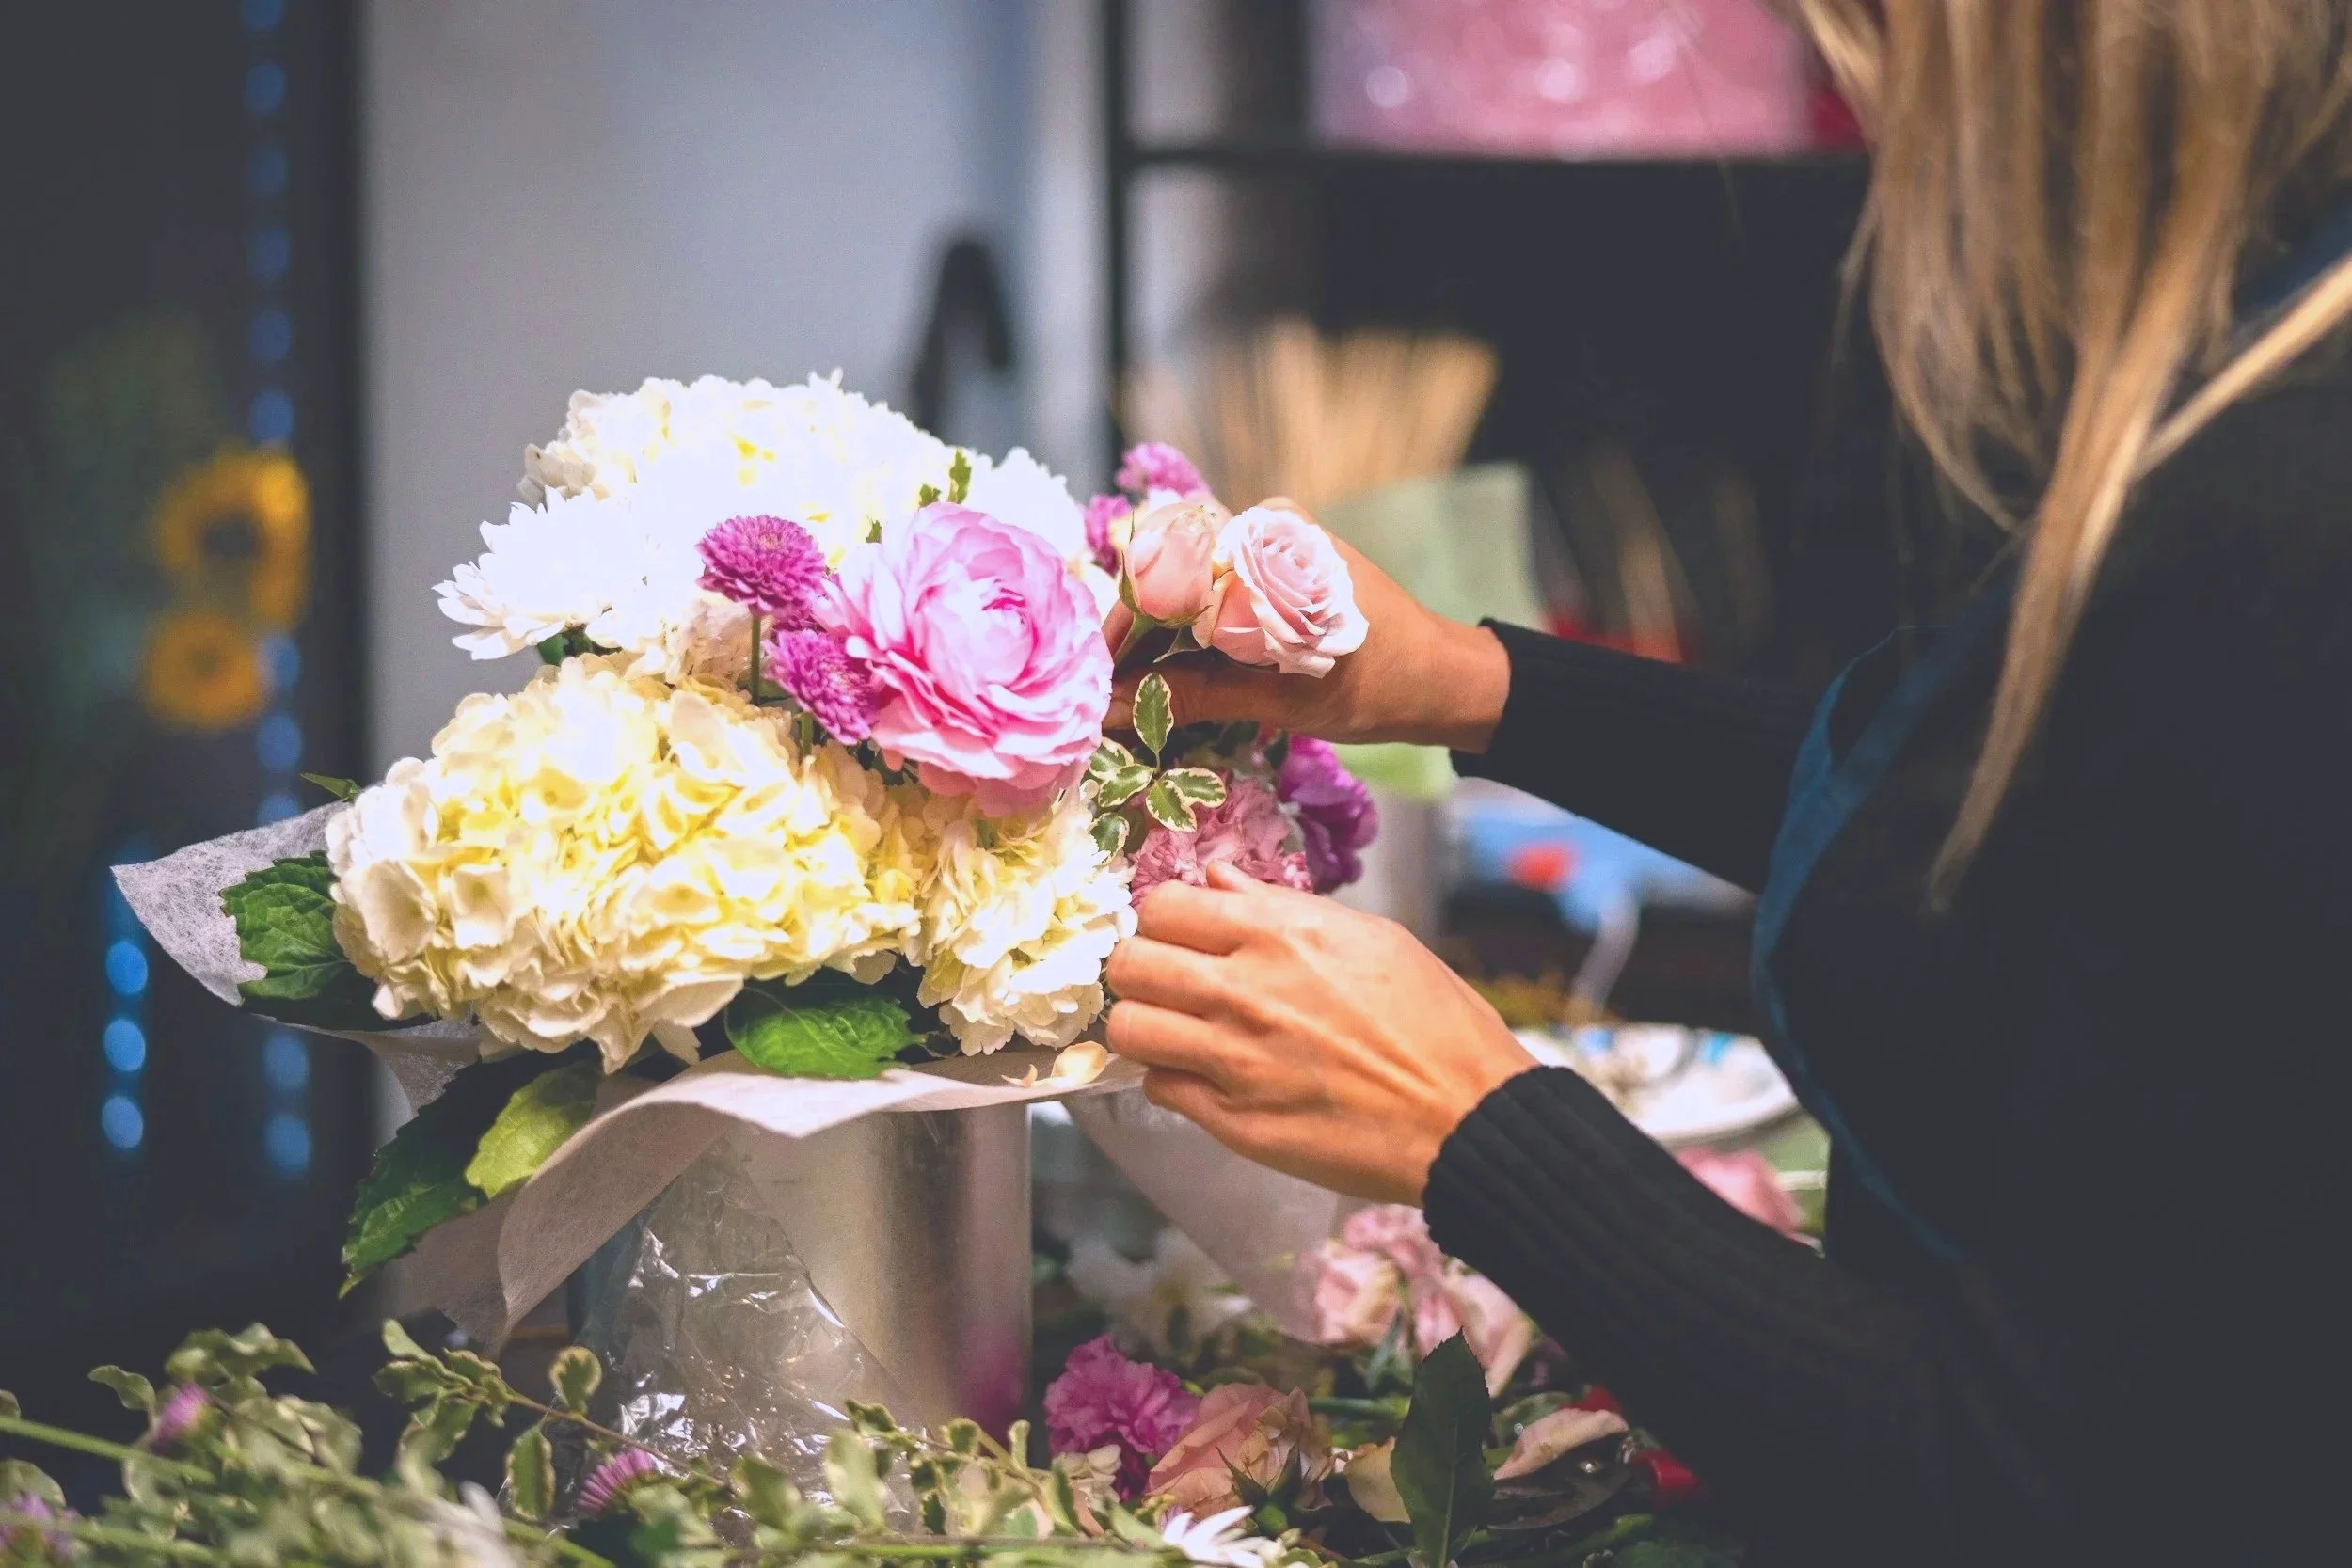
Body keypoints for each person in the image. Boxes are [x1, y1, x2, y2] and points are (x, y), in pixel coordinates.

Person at [1101, 4, 2352, 1563]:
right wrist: (1469, 683)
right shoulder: (2254, 388)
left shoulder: (2291, 520)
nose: (1854, 96)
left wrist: (1475, 1122)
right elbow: (2009, 826)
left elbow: (2035, 1484)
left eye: (1890, 38)